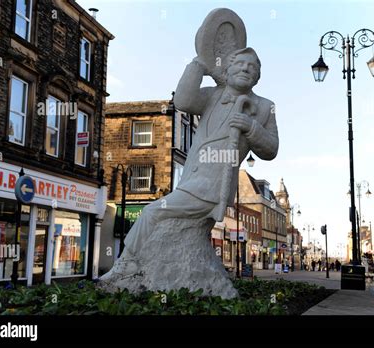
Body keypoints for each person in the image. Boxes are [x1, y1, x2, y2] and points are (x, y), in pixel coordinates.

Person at [100, 47, 279, 286]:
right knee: (157, 216)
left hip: (214, 185)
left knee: (152, 212)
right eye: (240, 64)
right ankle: (144, 268)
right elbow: (183, 100)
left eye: (252, 67)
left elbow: (271, 149)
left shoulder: (265, 107)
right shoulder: (212, 95)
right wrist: (199, 64)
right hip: (192, 180)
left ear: (257, 77)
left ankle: (127, 264)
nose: (246, 69)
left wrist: (251, 127)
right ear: (227, 68)